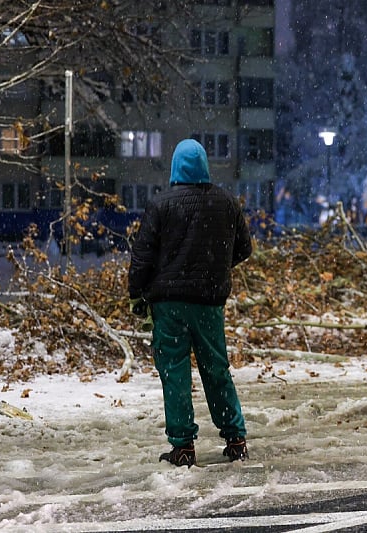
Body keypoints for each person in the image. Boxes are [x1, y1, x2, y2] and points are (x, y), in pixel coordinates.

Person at [128, 139, 253, 467]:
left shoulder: (161, 204)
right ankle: (235, 437)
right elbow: (244, 248)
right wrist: (215, 268)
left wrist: (137, 294)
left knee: (174, 371)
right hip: (209, 302)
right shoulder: (226, 203)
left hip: (169, 304)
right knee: (216, 369)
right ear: (204, 166)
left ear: (175, 167)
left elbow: (142, 256)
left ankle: (183, 446)